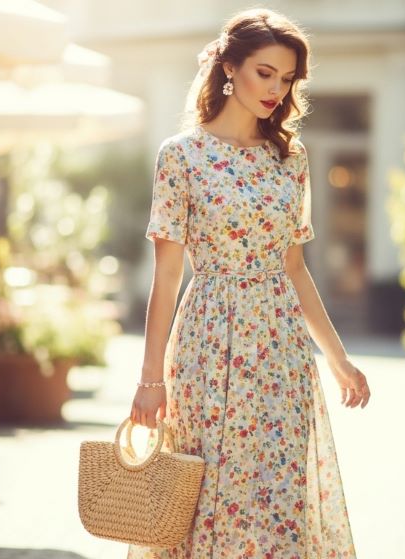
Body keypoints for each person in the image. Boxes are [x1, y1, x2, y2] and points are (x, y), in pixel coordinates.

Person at [129, 8, 368, 558]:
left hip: (281, 349)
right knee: (203, 490)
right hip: (207, 345)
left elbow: (295, 269)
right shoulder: (181, 156)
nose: (276, 90)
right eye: (265, 73)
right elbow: (166, 278)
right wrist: (150, 379)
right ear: (228, 68)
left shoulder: (291, 157)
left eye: (286, 80)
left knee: (278, 498)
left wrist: (338, 360)